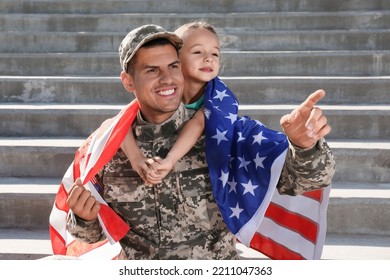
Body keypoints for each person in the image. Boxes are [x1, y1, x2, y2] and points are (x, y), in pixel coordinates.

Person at [65, 24, 335, 260]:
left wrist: (304, 146)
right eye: (151, 70)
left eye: (173, 66)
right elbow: (90, 236)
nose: (167, 79)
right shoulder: (104, 146)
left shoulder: (227, 134)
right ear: (128, 81)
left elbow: (306, 180)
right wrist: (84, 217)